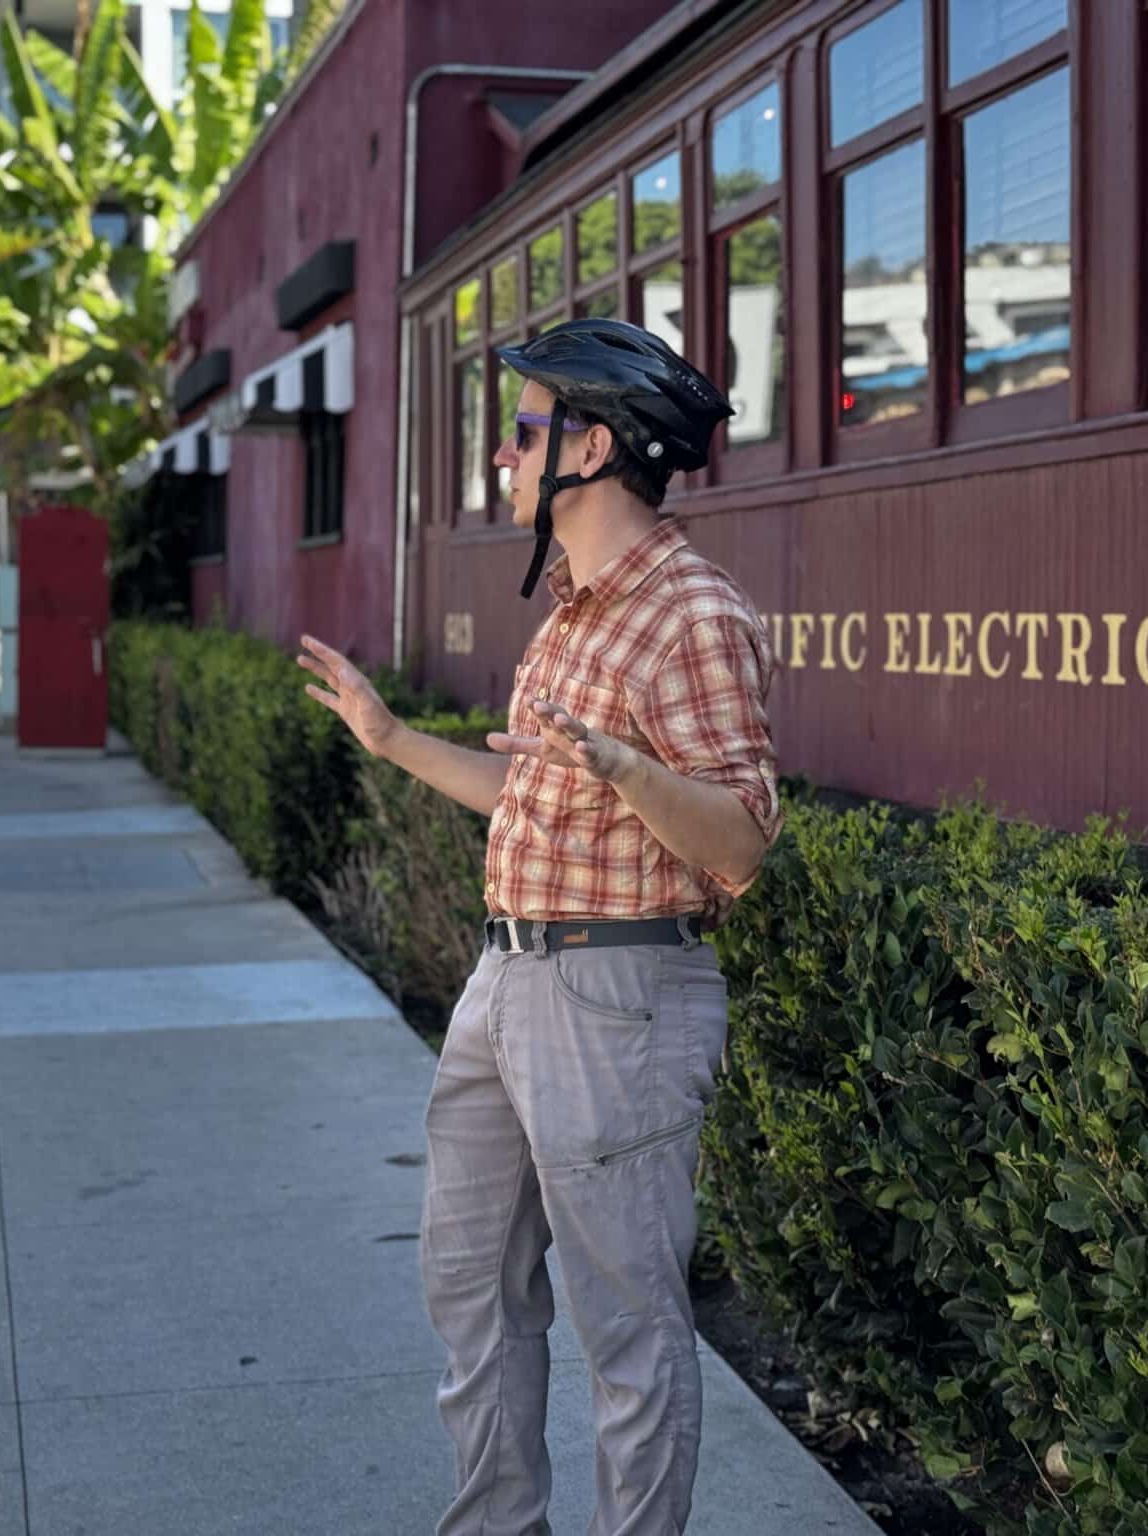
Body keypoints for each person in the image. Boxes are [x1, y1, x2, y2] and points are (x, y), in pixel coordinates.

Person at [297, 318, 782, 1535]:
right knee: (469, 1288)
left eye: (521, 431)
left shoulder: (688, 613)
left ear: (593, 446)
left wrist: (624, 765)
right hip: (507, 978)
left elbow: (738, 843)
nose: (502, 456)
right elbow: (529, 792)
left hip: (616, 1002)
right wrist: (390, 740)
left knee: (628, 1333)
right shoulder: (572, 609)